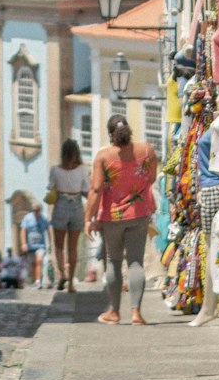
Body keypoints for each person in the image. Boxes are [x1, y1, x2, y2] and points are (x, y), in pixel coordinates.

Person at [85, 114, 158, 327]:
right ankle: (136, 313)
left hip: (112, 216)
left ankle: (114, 312)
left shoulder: (103, 157)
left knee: (114, 261)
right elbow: (151, 178)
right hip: (139, 213)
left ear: (110, 135)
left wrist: (88, 218)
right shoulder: (147, 151)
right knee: (136, 262)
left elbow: (96, 189)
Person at [47, 140, 90, 292]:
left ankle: (62, 274)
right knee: (73, 248)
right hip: (77, 205)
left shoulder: (55, 170)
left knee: (59, 246)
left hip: (61, 205)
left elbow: (51, 187)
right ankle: (71, 283)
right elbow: (87, 191)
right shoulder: (82, 170)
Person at [19, 201, 50, 288]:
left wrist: (51, 242)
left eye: (37, 210)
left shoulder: (44, 218)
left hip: (41, 245)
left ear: (40, 210)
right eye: (34, 210)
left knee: (39, 261)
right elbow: (23, 230)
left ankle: (38, 281)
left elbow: (48, 229)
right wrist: (23, 243)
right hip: (30, 245)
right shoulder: (27, 218)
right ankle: (35, 279)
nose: (35, 211)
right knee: (33, 264)